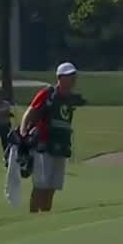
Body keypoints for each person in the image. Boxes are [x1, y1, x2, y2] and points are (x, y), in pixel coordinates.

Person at [20, 63, 81, 213]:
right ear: (60, 77)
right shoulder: (48, 93)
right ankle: (34, 217)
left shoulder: (69, 98)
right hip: (44, 144)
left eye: (74, 76)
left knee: (52, 187)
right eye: (69, 76)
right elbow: (30, 111)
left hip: (60, 146)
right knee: (40, 185)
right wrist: (23, 133)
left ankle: (45, 217)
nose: (73, 79)